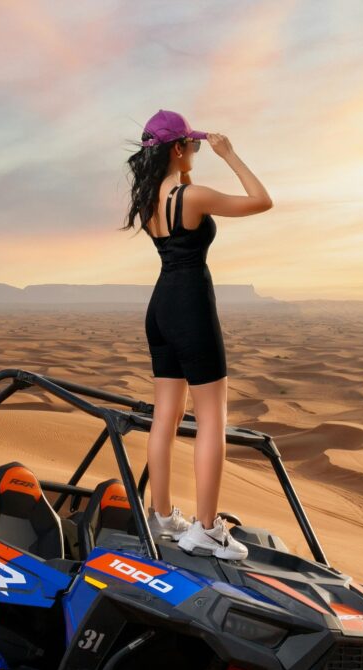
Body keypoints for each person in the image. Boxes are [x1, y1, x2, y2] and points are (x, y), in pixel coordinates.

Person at [122, 109, 273, 561]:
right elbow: (261, 200)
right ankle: (207, 530)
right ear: (178, 148)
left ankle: (162, 514)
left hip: (160, 308)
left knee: (166, 417)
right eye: (196, 146)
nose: (199, 153)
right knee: (212, 420)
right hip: (190, 308)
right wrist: (232, 154)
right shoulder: (191, 195)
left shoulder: (149, 198)